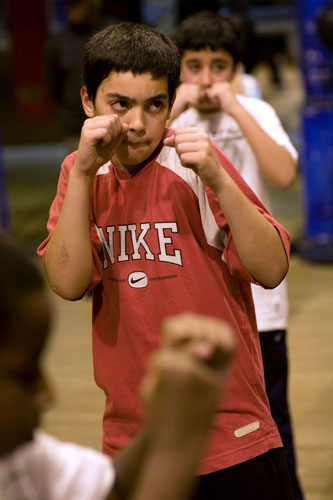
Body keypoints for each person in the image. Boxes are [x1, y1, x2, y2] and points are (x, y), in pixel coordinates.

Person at [37, 22, 293, 499]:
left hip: (232, 435)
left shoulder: (195, 163)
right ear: (88, 102)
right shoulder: (80, 171)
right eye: (120, 104)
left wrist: (218, 178)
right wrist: (83, 176)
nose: (137, 123)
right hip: (135, 440)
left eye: (154, 105)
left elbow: (272, 268)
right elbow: (68, 282)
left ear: (171, 103)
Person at [170, 10, 303, 500]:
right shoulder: (169, 114)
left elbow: (285, 176)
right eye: (195, 65)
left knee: (273, 419)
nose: (207, 79)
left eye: (219, 66)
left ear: (236, 69)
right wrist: (175, 103)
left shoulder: (254, 110)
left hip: (260, 303)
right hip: (194, 298)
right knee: (197, 423)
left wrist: (239, 107)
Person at [0, 230, 235, 500]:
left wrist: (164, 420)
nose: (47, 394)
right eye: (24, 375)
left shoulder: (21, 456)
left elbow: (106, 486)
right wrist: (176, 445)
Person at [44, 0, 119, 153]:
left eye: (78, 4)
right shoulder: (57, 43)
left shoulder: (117, 35)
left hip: (116, 122)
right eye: (69, 5)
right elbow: (54, 87)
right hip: (76, 128)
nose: (73, 9)